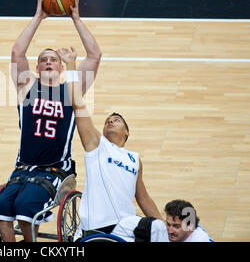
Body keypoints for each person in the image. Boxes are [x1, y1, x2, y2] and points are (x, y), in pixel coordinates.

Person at [0, 0, 102, 242]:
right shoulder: (27, 87)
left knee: (24, 210)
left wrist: (76, 19)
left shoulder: (71, 91)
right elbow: (17, 52)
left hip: (55, 170)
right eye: (43, 60)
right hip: (22, 167)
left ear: (62, 67)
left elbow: (95, 56)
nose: (49, 62)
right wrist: (38, 16)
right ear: (37, 68)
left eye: (54, 59)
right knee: (1, 211)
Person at [57, 47, 169, 242]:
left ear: (127, 132)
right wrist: (71, 65)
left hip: (124, 226)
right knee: (156, 228)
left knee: (158, 227)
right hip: (95, 226)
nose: (110, 121)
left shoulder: (134, 160)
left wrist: (166, 231)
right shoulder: (96, 144)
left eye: (116, 119)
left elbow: (143, 198)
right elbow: (77, 102)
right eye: (108, 119)